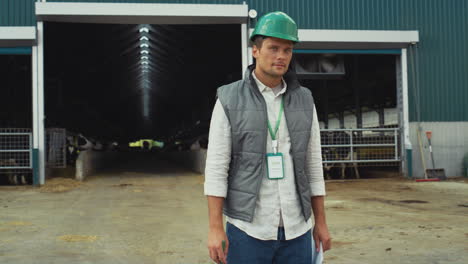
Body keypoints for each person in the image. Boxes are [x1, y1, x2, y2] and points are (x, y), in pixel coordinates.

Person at [204, 11, 331, 264]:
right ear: (255, 51)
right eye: (273, 48)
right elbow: (217, 167)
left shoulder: (305, 100)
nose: (281, 56)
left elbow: (313, 165)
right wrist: (216, 227)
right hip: (248, 230)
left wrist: (321, 222)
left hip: (298, 229)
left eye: (287, 49)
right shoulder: (229, 99)